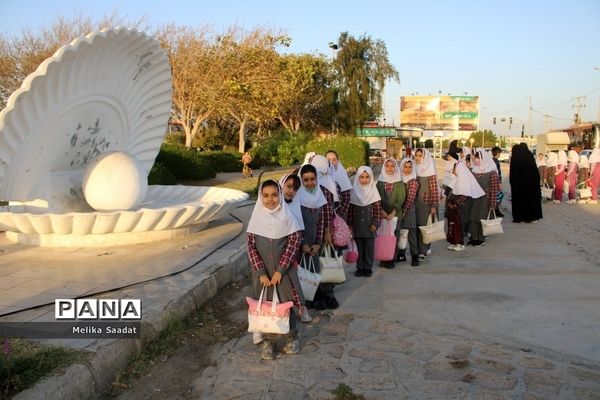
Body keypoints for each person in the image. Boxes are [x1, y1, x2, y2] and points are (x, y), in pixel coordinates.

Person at [247, 180, 303, 360]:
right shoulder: (256, 218)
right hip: (262, 276)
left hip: (284, 273)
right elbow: (251, 247)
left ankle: (290, 338)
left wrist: (280, 270)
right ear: (260, 197)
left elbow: (293, 244)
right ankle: (267, 342)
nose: (270, 199)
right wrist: (261, 272)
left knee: (287, 304)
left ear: (279, 195)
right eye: (265, 195)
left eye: (274, 195)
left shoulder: (288, 217)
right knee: (264, 306)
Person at [279, 174, 312, 323]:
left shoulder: (294, 204)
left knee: (294, 280)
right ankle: (282, 311)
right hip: (276, 250)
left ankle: (301, 307)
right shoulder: (274, 204)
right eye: (289, 186)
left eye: (295, 188)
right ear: (281, 185)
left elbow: (299, 228)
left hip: (292, 250)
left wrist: (303, 243)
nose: (291, 191)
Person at [309, 155, 340, 309]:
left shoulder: (326, 185)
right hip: (310, 231)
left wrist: (327, 232)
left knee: (325, 263)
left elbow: (328, 211)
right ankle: (316, 296)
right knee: (314, 264)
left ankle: (328, 295)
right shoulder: (307, 184)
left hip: (322, 231)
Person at [446, 158, 486, 251]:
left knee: (459, 226)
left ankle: (460, 243)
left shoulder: (465, 180)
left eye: (455, 168)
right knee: (452, 225)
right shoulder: (456, 179)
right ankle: (453, 242)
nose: (453, 170)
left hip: (461, 209)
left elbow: (464, 195)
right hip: (453, 208)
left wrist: (455, 204)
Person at [348, 166, 382, 277]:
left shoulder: (374, 192)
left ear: (371, 178)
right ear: (357, 178)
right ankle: (360, 267)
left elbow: (377, 210)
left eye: (367, 177)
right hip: (357, 226)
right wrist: (350, 226)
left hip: (369, 226)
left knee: (369, 248)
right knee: (359, 248)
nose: (364, 179)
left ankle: (368, 268)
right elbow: (350, 211)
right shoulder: (354, 192)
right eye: (361, 177)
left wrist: (375, 224)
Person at [376, 158, 406, 268]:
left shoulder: (399, 182)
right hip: (382, 214)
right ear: (384, 167)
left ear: (396, 167)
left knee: (394, 237)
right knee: (382, 237)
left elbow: (401, 198)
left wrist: (393, 212)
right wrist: (381, 211)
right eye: (387, 166)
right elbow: (376, 197)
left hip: (395, 215)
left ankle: (391, 259)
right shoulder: (380, 182)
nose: (390, 168)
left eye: (392, 166)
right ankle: (383, 257)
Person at [469, 149, 500, 244]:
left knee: (481, 219)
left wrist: (493, 204)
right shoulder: (474, 170)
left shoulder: (492, 172)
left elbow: (494, 189)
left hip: (485, 200)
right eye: (476, 158)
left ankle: (481, 238)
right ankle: (474, 237)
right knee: (472, 218)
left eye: (479, 158)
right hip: (474, 199)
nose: (476, 160)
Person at [414, 148, 440, 261]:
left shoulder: (430, 172)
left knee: (424, 228)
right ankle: (425, 247)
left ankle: (422, 251)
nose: (418, 158)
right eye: (416, 155)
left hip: (426, 205)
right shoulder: (414, 169)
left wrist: (434, 206)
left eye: (420, 155)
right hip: (415, 204)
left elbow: (434, 191)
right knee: (417, 228)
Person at [509, 143, 543, 223]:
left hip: (518, 184)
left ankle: (520, 217)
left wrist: (513, 183)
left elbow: (513, 174)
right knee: (531, 199)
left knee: (519, 199)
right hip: (531, 183)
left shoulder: (516, 157)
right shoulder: (529, 155)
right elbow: (535, 172)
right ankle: (532, 217)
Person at [399, 158, 420, 267]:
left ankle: (414, 256)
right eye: (405, 167)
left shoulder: (413, 181)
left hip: (409, 210)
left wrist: (404, 211)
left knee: (412, 235)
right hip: (398, 210)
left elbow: (410, 198)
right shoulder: (399, 179)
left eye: (410, 167)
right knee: (401, 234)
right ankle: (401, 255)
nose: (407, 169)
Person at [325, 150, 353, 222]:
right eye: (328, 160)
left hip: (340, 215)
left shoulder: (342, 175)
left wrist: (340, 214)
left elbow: (347, 199)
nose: (331, 162)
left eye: (334, 160)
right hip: (325, 216)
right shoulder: (321, 176)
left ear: (338, 161)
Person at [491, 147, 505, 217]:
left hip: (494, 181)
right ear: (498, 153)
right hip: (496, 181)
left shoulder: (492, 160)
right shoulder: (495, 161)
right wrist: (500, 182)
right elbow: (498, 173)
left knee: (496, 196)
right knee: (498, 197)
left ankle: (496, 210)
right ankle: (496, 211)